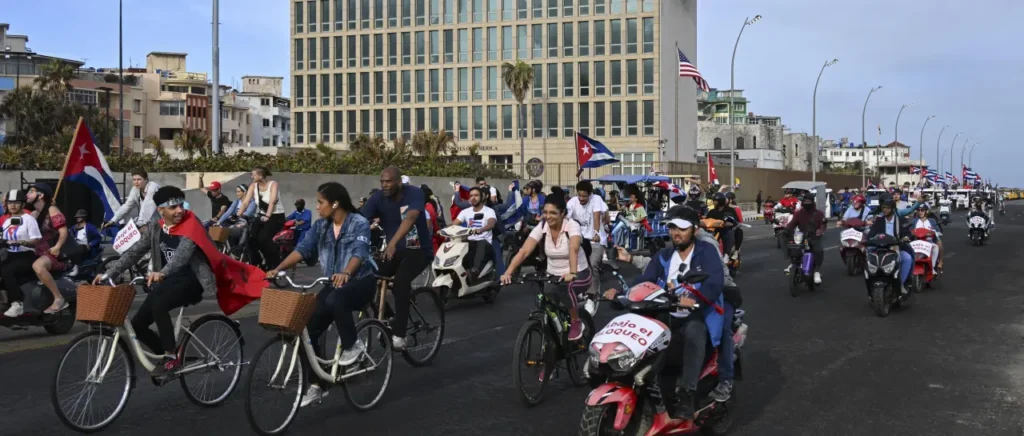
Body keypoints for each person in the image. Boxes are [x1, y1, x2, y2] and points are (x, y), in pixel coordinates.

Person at [94, 186, 263, 376]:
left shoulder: (192, 224)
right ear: (161, 210)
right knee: (137, 325)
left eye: (181, 205)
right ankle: (167, 359)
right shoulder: (156, 227)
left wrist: (162, 273)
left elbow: (181, 257)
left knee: (159, 305)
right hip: (169, 280)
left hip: (192, 280)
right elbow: (135, 252)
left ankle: (171, 356)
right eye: (173, 207)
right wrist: (110, 273)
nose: (179, 210)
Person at [608, 205, 738, 403]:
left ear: (695, 230)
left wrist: (694, 300)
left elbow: (713, 282)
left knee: (699, 331)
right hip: (669, 310)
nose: (676, 233)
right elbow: (646, 279)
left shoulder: (707, 250)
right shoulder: (665, 255)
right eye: (672, 227)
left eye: (682, 228)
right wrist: (622, 295)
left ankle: (690, 391)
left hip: (703, 308)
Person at [267, 182, 375, 407]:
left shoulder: (359, 223)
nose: (316, 206)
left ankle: (353, 346)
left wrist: (346, 272)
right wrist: (279, 268)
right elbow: (303, 249)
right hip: (333, 284)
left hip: (360, 282)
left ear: (335, 204)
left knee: (337, 299)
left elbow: (359, 252)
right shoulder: (320, 226)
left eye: (320, 202)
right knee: (305, 329)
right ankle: (318, 384)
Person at [359, 167, 432, 350]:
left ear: (399, 182)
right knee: (368, 277)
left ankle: (400, 334)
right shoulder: (378, 198)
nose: (384, 185)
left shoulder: (414, 193)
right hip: (395, 251)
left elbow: (411, 217)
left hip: (419, 250)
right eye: (382, 182)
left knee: (401, 282)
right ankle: (391, 318)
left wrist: (392, 243)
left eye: (388, 181)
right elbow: (360, 220)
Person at [501, 195, 593, 341]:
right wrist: (508, 272)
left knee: (567, 288)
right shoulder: (542, 226)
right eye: (545, 212)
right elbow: (524, 251)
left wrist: (572, 272)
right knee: (546, 300)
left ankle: (576, 321)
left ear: (563, 213)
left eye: (553, 213)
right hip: (553, 275)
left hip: (579, 273)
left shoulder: (571, 225)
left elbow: (574, 248)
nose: (548, 216)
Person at [26, 183, 73, 314]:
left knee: (38, 266)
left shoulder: (52, 210)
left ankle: (59, 298)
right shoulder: (33, 214)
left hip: (52, 253)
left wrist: (57, 247)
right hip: (35, 251)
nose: (27, 194)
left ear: (40, 195)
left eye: (31, 191)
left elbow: (63, 231)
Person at [567, 181, 608, 313]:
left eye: (584, 196)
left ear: (590, 195)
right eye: (579, 195)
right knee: (573, 266)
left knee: (592, 264)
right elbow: (566, 218)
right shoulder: (572, 202)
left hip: (595, 240)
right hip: (579, 239)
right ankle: (578, 289)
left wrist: (596, 233)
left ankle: (591, 297)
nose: (581, 198)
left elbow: (596, 216)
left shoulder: (596, 199)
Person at [1, 190, 42, 318]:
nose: (13, 205)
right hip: (9, 255)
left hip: (26, 255)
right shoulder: (8, 221)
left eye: (16, 202)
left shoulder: (29, 219)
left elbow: (36, 241)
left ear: (23, 204)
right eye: (10, 203)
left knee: (6, 271)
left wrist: (20, 242)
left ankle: (17, 303)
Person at [237, 166, 286, 269]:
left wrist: (267, 215)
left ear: (260, 176)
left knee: (263, 238)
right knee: (250, 238)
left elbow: (272, 201)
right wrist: (238, 215)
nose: (251, 176)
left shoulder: (273, 184)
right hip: (261, 216)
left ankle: (274, 263)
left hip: (276, 216)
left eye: (253, 174)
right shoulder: (253, 186)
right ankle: (257, 262)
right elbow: (245, 202)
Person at [866, 195, 914, 295]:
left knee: (907, 258)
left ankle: (901, 283)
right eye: (883, 207)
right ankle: (871, 281)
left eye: (887, 208)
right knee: (868, 258)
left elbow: (907, 233)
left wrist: (906, 237)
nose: (885, 210)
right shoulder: (879, 220)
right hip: (880, 248)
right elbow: (871, 234)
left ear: (893, 209)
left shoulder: (900, 220)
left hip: (896, 247)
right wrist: (868, 239)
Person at [452, 187, 497, 282]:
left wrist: (481, 229)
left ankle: (475, 271)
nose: (473, 198)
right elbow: (454, 223)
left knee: (481, 242)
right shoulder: (465, 212)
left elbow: (491, 224)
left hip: (484, 243)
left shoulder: (489, 211)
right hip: (470, 242)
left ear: (482, 197)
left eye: (476, 195)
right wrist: (443, 230)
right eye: (471, 195)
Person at [784, 193, 827, 284]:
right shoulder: (798, 214)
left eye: (809, 201)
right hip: (801, 237)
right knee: (793, 248)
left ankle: (816, 271)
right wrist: (787, 230)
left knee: (818, 250)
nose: (807, 203)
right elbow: (792, 224)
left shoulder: (819, 214)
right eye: (805, 201)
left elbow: (823, 225)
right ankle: (793, 264)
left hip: (814, 237)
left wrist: (820, 230)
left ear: (812, 202)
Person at [217, 184, 257, 250]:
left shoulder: (252, 202)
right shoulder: (236, 202)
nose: (237, 194)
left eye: (238, 192)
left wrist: (236, 218)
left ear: (245, 192)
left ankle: (239, 249)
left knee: (235, 234)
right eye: (236, 192)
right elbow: (228, 213)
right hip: (236, 222)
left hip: (246, 223)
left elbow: (248, 213)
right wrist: (219, 222)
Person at [908, 203, 943, 272]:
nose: (920, 212)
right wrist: (912, 233)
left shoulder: (932, 221)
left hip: (929, 241)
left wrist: (932, 233)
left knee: (936, 246)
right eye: (918, 210)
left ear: (926, 211)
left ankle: (932, 267)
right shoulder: (914, 221)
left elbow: (938, 231)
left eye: (922, 210)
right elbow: (910, 231)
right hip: (917, 242)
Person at [705, 193, 739, 257]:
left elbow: (735, 221)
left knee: (734, 232)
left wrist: (730, 224)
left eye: (715, 201)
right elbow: (706, 221)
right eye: (714, 201)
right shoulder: (712, 212)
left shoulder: (730, 210)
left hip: (726, 230)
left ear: (720, 201)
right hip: (714, 231)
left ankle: (728, 254)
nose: (714, 203)